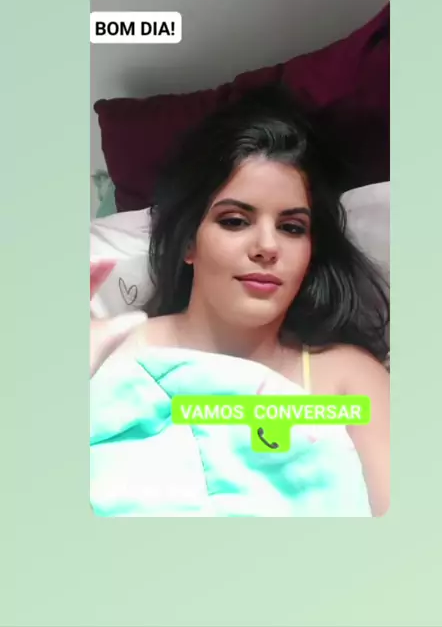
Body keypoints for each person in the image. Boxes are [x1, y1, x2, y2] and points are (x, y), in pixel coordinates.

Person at [91, 85, 390, 516]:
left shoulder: (347, 379)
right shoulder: (108, 354)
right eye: (235, 221)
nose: (267, 246)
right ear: (188, 243)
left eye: (292, 228)